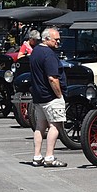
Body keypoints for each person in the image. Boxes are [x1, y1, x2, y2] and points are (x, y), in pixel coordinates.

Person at [29, 27, 68, 168]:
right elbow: (52, 78)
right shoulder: (48, 54)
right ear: (46, 39)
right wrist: (59, 95)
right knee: (55, 126)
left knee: (40, 126)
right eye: (55, 39)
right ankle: (49, 157)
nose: (58, 42)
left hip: (39, 96)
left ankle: (37, 156)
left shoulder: (35, 52)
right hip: (50, 97)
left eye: (59, 39)